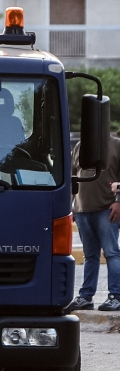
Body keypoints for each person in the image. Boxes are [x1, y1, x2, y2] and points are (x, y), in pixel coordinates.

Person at [70, 132, 120, 311]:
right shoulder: (79, 146)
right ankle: (86, 296)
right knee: (90, 255)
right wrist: (72, 206)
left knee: (112, 253)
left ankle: (116, 296)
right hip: (83, 210)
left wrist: (118, 202)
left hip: (107, 208)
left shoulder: (116, 144)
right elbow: (72, 177)